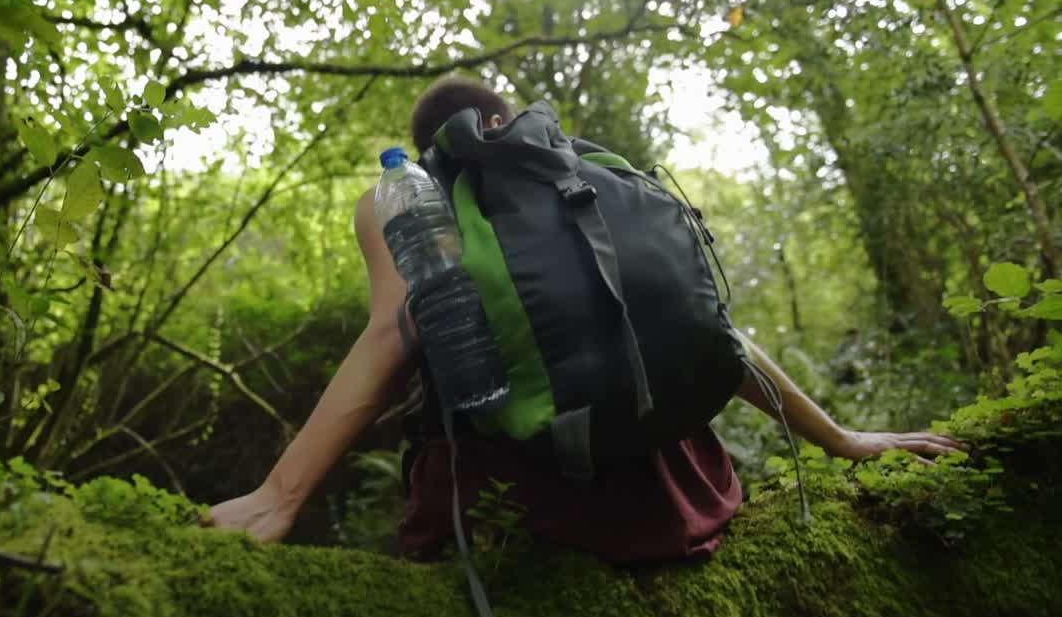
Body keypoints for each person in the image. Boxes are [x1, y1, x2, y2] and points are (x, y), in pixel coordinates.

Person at [202, 76, 962, 561]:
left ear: (426, 147)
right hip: (682, 497)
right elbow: (713, 332)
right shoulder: (593, 171)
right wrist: (841, 439)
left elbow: (393, 333)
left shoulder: (399, 197)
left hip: (519, 513)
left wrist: (278, 497)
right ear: (501, 118)